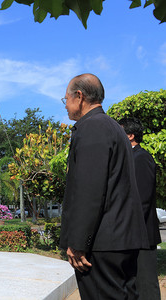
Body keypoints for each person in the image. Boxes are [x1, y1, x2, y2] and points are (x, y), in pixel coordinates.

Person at [59, 73, 149, 299]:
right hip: (120, 237)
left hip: (102, 242)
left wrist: (78, 242)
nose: (66, 106)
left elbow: (90, 190)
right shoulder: (113, 127)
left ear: (79, 96)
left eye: (66, 99)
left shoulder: (92, 128)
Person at [118, 117, 161, 300]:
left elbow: (142, 200)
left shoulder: (141, 157)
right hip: (133, 236)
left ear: (130, 135)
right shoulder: (129, 158)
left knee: (146, 288)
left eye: (119, 131)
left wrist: (127, 227)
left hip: (141, 234)